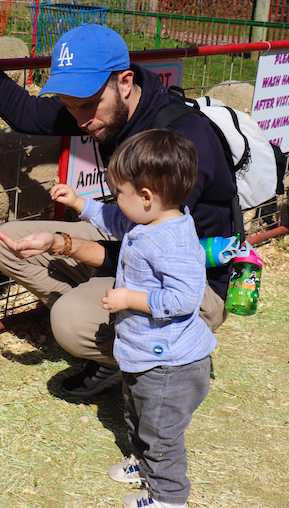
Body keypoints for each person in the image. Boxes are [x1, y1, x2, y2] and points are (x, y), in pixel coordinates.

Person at [0, 9, 235, 395]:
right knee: (5, 242)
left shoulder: (180, 141)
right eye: (70, 107)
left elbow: (151, 252)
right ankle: (112, 332)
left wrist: (65, 245)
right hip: (129, 231)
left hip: (187, 277)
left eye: (87, 105)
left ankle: (146, 356)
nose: (80, 119)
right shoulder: (95, 108)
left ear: (125, 82)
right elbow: (26, 113)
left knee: (70, 320)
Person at [52, 128, 216, 508]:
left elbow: (184, 298)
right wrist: (79, 202)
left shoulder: (171, 241)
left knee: (160, 433)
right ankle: (143, 465)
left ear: (146, 197)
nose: (115, 201)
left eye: (120, 193)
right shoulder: (149, 220)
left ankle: (168, 497)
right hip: (146, 352)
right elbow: (113, 218)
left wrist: (130, 297)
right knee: (137, 412)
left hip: (171, 364)